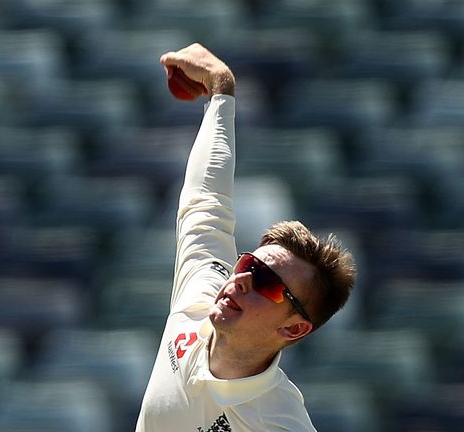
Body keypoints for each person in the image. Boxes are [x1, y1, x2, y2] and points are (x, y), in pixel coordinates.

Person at [135, 43, 357, 432]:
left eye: (267, 284)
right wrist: (221, 92)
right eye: (249, 264)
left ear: (293, 328)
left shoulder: (279, 423)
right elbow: (205, 202)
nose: (240, 280)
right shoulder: (199, 297)